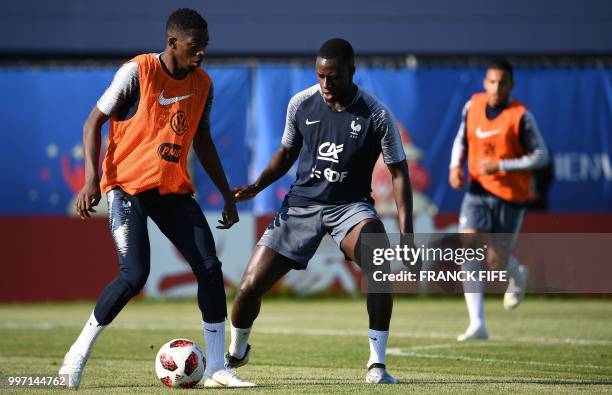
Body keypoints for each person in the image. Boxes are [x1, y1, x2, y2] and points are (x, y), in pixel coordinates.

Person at [59, 8, 253, 388]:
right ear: (172, 43)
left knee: (210, 268)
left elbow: (204, 141)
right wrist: (89, 181)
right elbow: (93, 122)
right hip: (127, 188)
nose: (201, 54)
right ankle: (77, 353)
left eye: (205, 47)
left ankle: (216, 368)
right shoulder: (138, 72)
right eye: (195, 47)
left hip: (171, 189)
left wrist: (226, 194)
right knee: (135, 276)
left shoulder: (204, 85)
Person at [225, 38, 413, 385]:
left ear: (351, 72)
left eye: (334, 77)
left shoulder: (376, 114)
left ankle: (377, 364)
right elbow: (285, 155)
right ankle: (236, 352)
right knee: (250, 286)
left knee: (380, 262)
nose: (326, 84)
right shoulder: (301, 104)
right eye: (320, 75)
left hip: (351, 207)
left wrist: (407, 233)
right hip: (302, 205)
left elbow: (399, 172)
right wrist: (256, 186)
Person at [448, 60, 549, 341]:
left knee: (495, 261)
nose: (496, 87)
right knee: (468, 245)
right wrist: (455, 166)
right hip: (479, 187)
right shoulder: (473, 105)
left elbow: (542, 156)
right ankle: (477, 323)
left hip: (511, 195)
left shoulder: (521, 117)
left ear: (511, 85)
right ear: (484, 82)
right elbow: (461, 139)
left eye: (502, 82)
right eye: (491, 81)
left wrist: (503, 165)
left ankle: (517, 274)